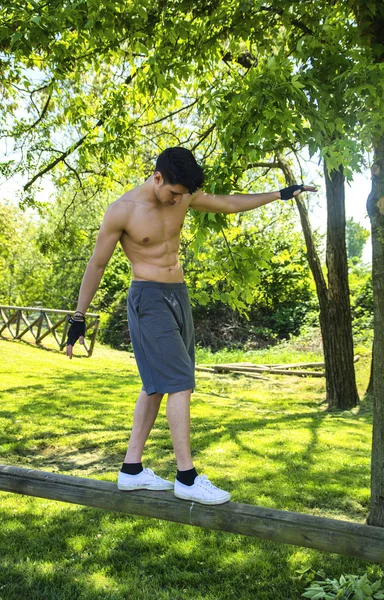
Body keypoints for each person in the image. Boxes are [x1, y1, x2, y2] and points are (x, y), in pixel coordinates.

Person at [66, 146, 317, 505]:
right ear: (157, 178)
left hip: (177, 295)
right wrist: (79, 316)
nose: (177, 201)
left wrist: (281, 194)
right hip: (148, 298)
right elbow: (97, 265)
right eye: (173, 193)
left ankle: (131, 470)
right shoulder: (123, 211)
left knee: (155, 385)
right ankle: (186, 477)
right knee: (180, 383)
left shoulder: (181, 195)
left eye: (183, 196)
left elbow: (227, 203)